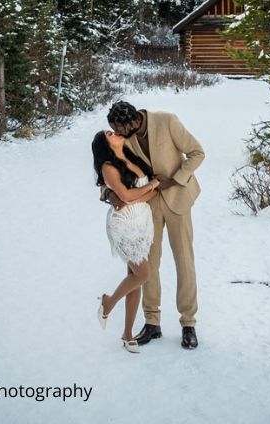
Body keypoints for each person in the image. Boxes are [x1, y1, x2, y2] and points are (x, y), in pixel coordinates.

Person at [104, 100, 204, 349]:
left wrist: (175, 180)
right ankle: (152, 322)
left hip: (178, 199)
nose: (119, 134)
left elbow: (197, 152)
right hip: (146, 207)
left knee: (184, 261)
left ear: (135, 120)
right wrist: (109, 194)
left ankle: (188, 323)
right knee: (150, 263)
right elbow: (109, 169)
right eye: (115, 129)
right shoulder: (122, 137)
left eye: (122, 129)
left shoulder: (167, 120)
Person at [91, 130, 161, 352]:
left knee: (134, 278)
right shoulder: (108, 167)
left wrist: (139, 193)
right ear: (105, 145)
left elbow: (146, 196)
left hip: (142, 222)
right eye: (109, 134)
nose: (115, 132)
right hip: (124, 225)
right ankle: (108, 303)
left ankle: (127, 333)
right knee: (143, 274)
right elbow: (126, 195)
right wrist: (150, 186)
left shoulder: (132, 156)